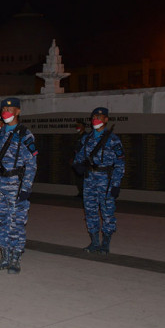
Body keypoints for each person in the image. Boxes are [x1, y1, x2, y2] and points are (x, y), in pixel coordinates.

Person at [0, 97, 38, 274]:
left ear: (18, 112)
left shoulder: (25, 135)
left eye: (10, 109)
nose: (6, 112)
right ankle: (5, 256)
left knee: (16, 223)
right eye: (4, 109)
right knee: (0, 221)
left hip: (16, 184)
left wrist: (26, 188)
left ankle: (15, 259)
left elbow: (32, 164)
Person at [73, 107, 125, 255]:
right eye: (94, 117)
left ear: (106, 120)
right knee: (90, 211)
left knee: (107, 212)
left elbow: (120, 164)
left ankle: (106, 243)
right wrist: (78, 165)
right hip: (89, 179)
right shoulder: (86, 138)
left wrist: (116, 184)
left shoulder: (113, 139)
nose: (96, 119)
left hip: (106, 180)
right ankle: (94, 242)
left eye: (100, 117)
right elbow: (78, 155)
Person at [72, 122, 88, 197]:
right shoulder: (77, 136)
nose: (77, 127)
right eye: (77, 126)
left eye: (79, 126)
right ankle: (81, 192)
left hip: (83, 161)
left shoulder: (86, 136)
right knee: (78, 177)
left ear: (83, 127)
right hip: (77, 160)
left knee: (83, 177)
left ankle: (84, 193)